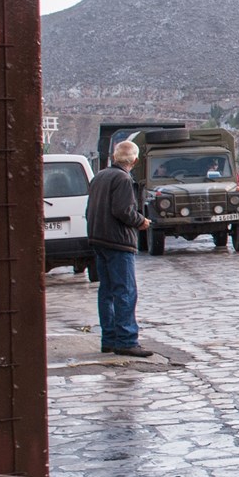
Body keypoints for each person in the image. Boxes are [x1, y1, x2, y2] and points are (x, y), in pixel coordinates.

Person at [87, 140, 155, 357]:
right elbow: (123, 210)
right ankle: (126, 340)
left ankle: (109, 339)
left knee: (107, 291)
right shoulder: (123, 179)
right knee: (125, 291)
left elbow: (90, 209)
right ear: (135, 161)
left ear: (114, 157)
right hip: (118, 242)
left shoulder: (100, 176)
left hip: (99, 239)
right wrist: (141, 221)